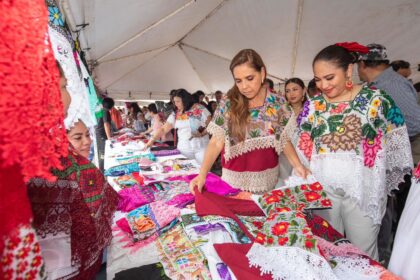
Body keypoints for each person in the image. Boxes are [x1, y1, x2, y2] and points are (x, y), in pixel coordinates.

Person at [295, 43, 413, 259]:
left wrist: (380, 177)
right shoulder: (313, 106)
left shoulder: (377, 100)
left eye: (329, 78)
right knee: (328, 250)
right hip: (323, 191)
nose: (323, 85)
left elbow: (397, 139)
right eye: (318, 79)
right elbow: (302, 146)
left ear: (349, 70)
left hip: (364, 189)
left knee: (363, 253)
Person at [189, 49, 310, 194]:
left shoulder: (276, 101)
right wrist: (202, 175)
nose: (244, 86)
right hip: (233, 182)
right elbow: (216, 142)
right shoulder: (229, 102)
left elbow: (283, 138)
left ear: (262, 73)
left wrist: (298, 166)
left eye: (250, 78)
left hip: (267, 181)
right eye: (238, 81)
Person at [357, 44, 420, 164]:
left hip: (411, 152)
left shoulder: (391, 84)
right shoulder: (381, 84)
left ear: (362, 64)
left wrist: (387, 138)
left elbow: (415, 123)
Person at [145, 89, 211, 164]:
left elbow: (211, 124)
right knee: (186, 172)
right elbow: (163, 129)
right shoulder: (175, 113)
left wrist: (203, 133)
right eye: (174, 102)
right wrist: (152, 140)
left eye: (178, 101)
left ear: (185, 100)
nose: (176, 104)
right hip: (184, 148)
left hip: (201, 147)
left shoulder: (200, 108)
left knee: (203, 172)